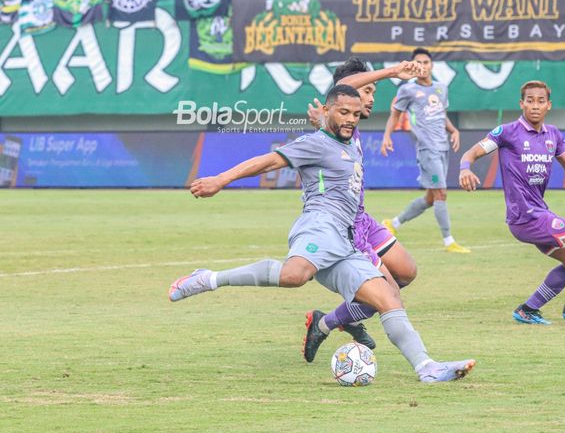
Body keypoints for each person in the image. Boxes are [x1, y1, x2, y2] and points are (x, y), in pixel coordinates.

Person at [169, 84, 476, 382]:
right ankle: (208, 279)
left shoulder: (350, 141)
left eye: (356, 115)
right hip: (320, 224)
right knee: (294, 275)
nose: (351, 119)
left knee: (388, 297)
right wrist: (221, 180)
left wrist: (339, 114)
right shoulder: (315, 143)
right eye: (343, 113)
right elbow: (268, 161)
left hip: (346, 240)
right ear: (328, 110)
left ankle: (427, 367)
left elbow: (350, 103)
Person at [302, 58, 423, 363]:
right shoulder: (339, 120)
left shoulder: (348, 121)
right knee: (388, 296)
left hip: (364, 218)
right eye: (366, 90)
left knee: (406, 271)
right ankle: (327, 323)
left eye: (374, 91)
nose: (371, 97)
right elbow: (342, 93)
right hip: (347, 228)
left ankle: (329, 319)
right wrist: (393, 71)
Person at [458, 80, 565, 325]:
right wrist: (465, 168)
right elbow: (471, 153)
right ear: (521, 104)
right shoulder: (506, 132)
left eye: (540, 101)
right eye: (530, 101)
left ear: (548, 105)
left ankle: (529, 309)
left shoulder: (553, 135)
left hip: (538, 213)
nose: (535, 106)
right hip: (525, 217)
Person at [381, 47, 470, 254]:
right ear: (413, 66)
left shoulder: (441, 88)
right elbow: (395, 115)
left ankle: (393, 223)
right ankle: (449, 242)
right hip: (427, 149)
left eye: (426, 62)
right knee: (441, 193)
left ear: (432, 65)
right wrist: (387, 136)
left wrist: (454, 130)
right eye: (418, 62)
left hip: (443, 147)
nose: (422, 66)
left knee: (431, 198)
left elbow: (441, 114)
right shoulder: (407, 90)